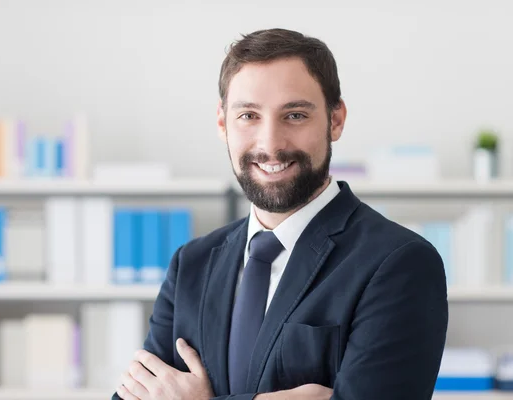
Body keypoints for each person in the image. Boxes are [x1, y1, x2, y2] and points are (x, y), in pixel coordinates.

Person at [112, 28, 448, 400]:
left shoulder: (399, 263)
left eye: (295, 115)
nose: (270, 144)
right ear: (223, 123)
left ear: (335, 120)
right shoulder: (192, 264)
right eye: (249, 116)